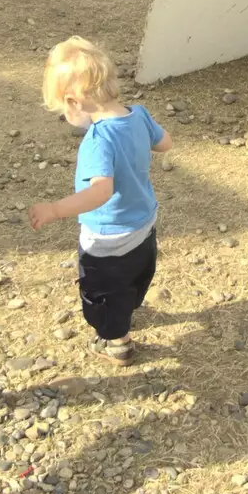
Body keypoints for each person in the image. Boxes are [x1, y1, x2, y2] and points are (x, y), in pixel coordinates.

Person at [27, 37, 173, 365]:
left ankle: (117, 341)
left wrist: (54, 210)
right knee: (137, 272)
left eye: (64, 110)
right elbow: (165, 144)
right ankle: (130, 304)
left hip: (108, 237)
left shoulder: (98, 140)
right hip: (144, 223)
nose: (67, 117)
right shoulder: (139, 115)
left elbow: (100, 192)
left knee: (102, 290)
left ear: (75, 101)